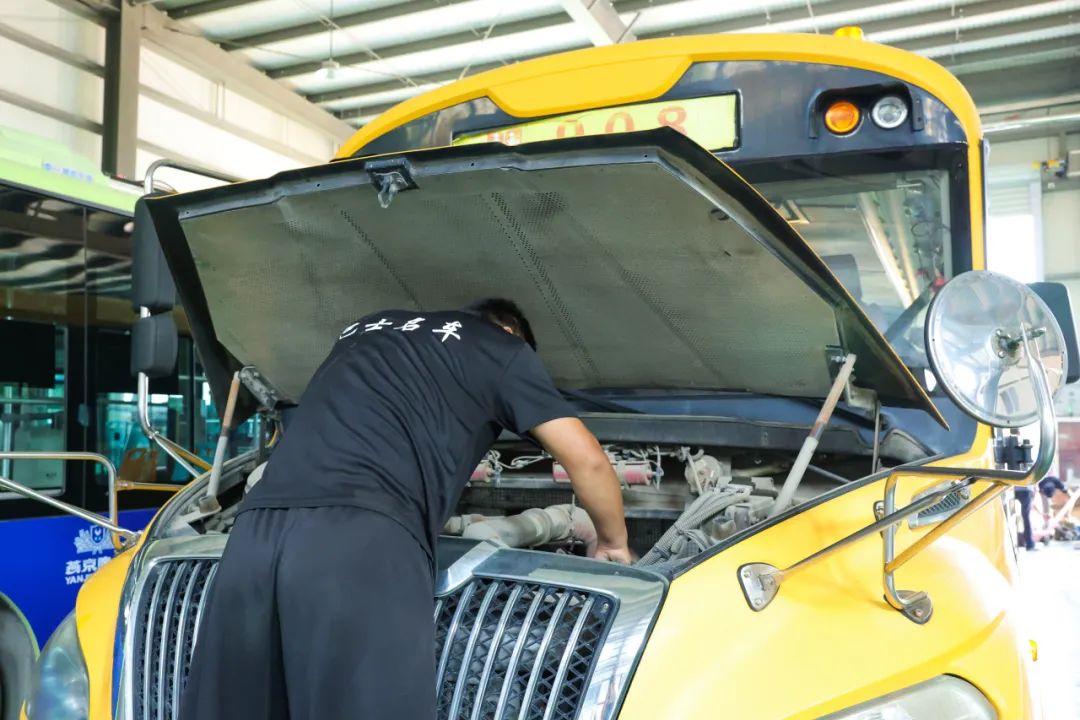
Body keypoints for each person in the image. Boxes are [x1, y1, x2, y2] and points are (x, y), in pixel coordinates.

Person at [179, 298, 632, 720]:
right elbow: (587, 459)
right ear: (512, 331)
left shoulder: (363, 329)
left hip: (253, 533)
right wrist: (612, 541)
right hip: (359, 540)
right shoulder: (504, 349)